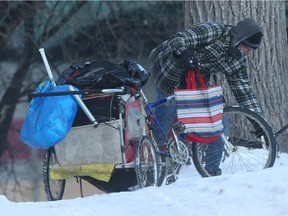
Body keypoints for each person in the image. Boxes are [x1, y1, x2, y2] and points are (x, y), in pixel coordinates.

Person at [148, 18, 263, 176]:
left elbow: (244, 92)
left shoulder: (238, 61)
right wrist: (185, 52)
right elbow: (178, 39)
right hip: (170, 75)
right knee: (166, 118)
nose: (248, 52)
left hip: (196, 83)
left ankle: (211, 172)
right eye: (246, 47)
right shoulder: (214, 31)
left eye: (251, 49)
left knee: (219, 123)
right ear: (239, 39)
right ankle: (155, 163)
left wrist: (259, 122)